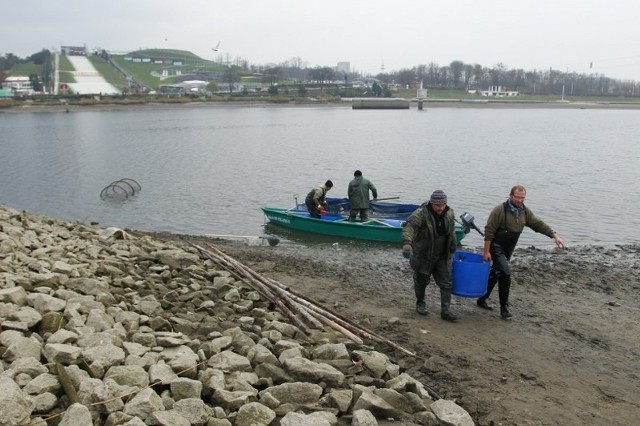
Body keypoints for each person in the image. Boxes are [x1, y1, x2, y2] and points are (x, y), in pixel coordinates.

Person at [477, 185, 566, 319]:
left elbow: (537, 224)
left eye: (522, 198)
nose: (519, 200)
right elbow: (489, 231)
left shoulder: (525, 212)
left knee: (496, 272)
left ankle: (482, 298)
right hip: (496, 246)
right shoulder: (499, 210)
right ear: (510, 195)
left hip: (509, 247)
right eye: (517, 197)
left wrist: (554, 235)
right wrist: (486, 251)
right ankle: (504, 308)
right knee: (505, 274)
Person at [401, 190, 459, 322]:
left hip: (442, 255)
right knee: (421, 282)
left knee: (447, 282)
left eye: (443, 204)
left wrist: (453, 244)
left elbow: (452, 230)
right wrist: (407, 243)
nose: (441, 208)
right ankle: (420, 303)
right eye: (438, 205)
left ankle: (446, 311)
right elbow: (409, 227)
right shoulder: (421, 214)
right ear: (432, 203)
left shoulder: (449, 213)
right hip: (424, 255)